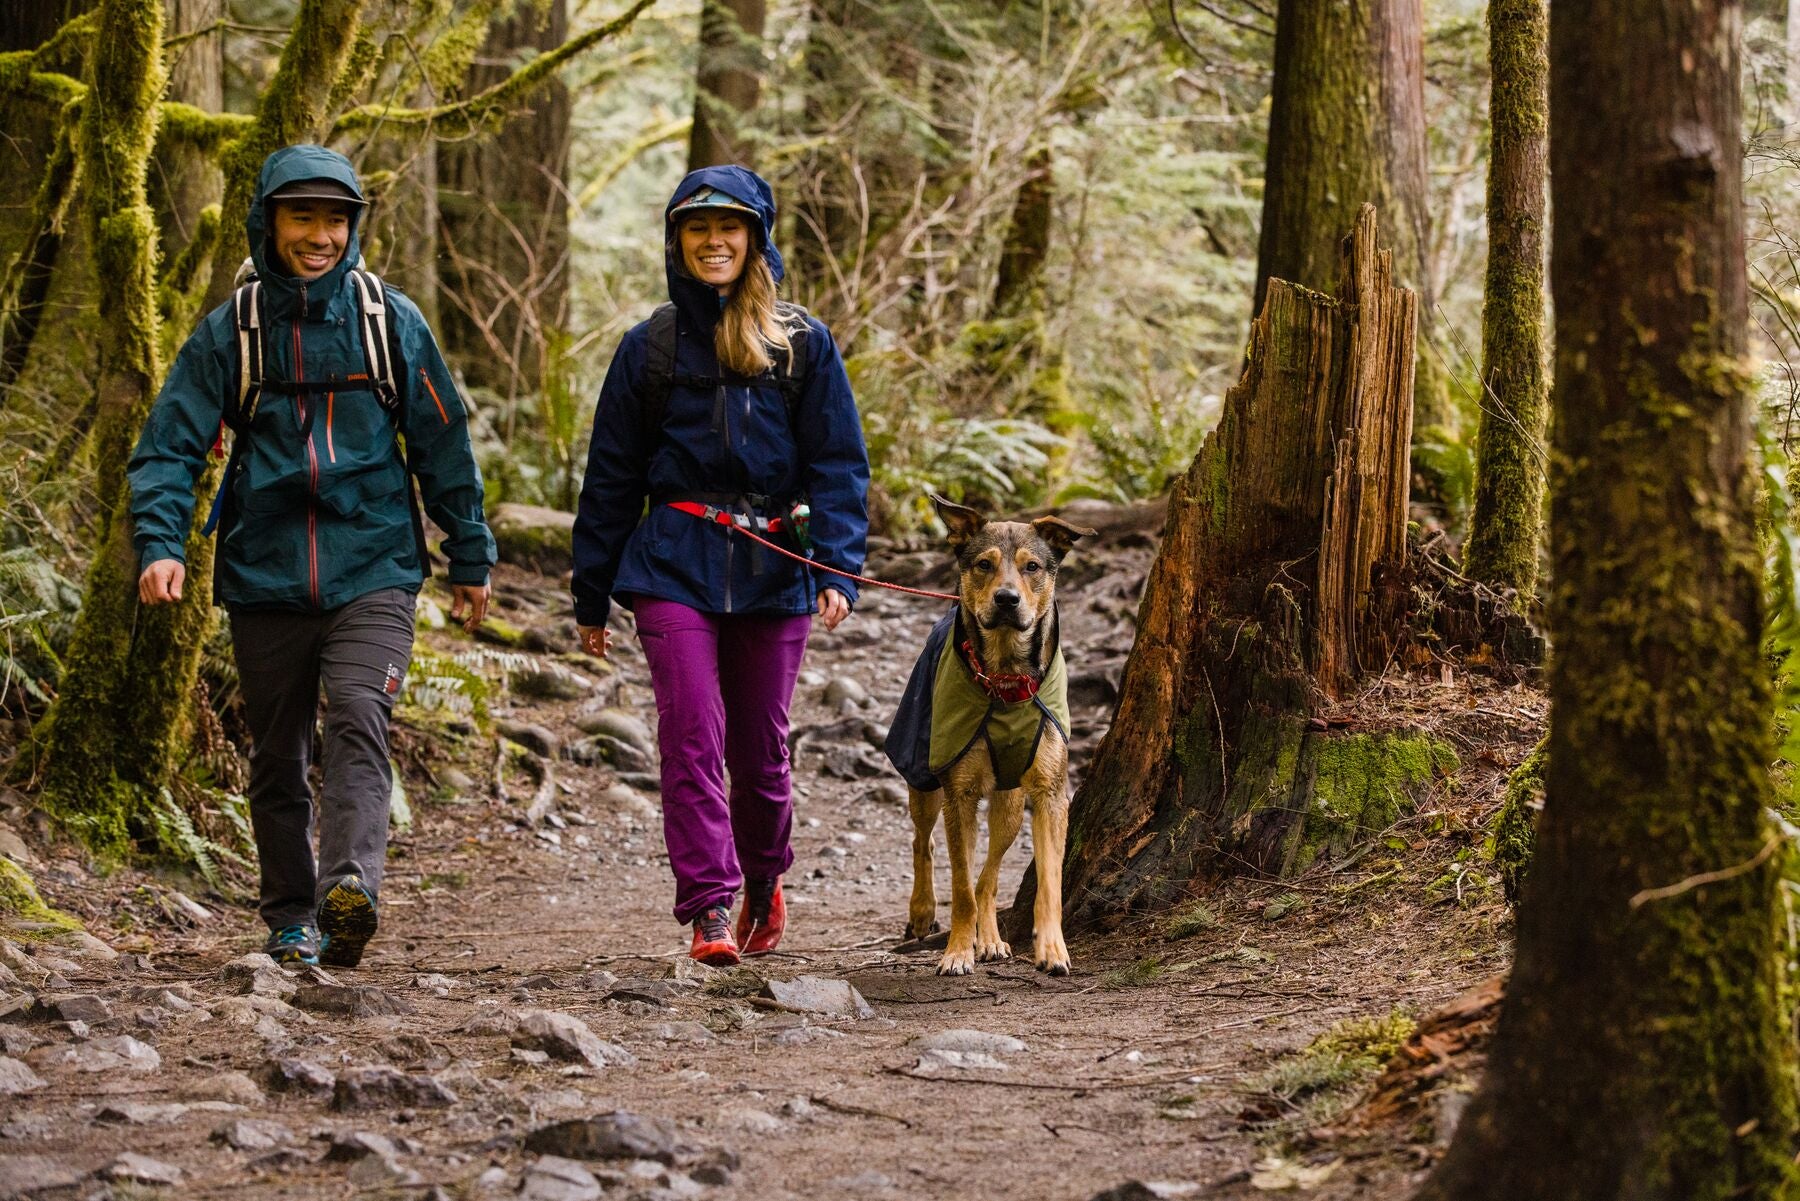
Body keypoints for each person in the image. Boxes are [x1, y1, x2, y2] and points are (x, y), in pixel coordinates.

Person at [129, 144, 496, 968]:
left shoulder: (388, 321)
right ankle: (290, 916)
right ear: (269, 222)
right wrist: (160, 542)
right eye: (303, 217)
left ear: (353, 226)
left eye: (335, 219)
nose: (320, 235)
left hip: (376, 563)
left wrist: (469, 552)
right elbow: (168, 447)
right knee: (277, 752)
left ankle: (349, 890)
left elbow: (442, 441)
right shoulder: (232, 332)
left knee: (361, 716)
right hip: (264, 571)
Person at [573, 166, 870, 966]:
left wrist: (838, 568)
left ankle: (765, 878)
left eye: (728, 228)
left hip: (775, 568)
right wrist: (591, 595)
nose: (713, 242)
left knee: (762, 750)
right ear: (677, 241)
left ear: (755, 238)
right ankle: (708, 905)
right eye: (697, 228)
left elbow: (839, 464)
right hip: (673, 564)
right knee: (691, 736)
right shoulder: (649, 348)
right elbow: (611, 478)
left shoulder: (802, 344)